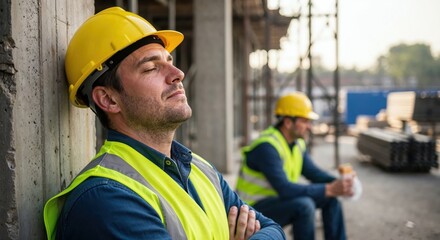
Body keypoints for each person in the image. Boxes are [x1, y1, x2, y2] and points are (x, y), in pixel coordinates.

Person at [43, 7, 285, 240]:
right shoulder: (106, 197)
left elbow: (273, 228)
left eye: (170, 60)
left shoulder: (199, 168)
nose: (177, 73)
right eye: (151, 68)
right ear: (108, 99)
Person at [236, 92, 353, 240]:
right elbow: (285, 189)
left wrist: (340, 183)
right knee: (304, 205)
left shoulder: (297, 144)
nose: (309, 127)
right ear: (288, 122)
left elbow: (313, 173)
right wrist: (329, 188)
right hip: (252, 209)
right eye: (304, 121)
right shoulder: (267, 147)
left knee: (331, 198)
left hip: (277, 201)